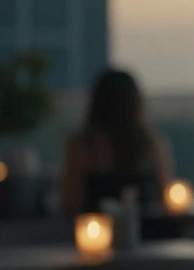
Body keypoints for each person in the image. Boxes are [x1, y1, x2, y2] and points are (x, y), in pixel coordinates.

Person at [59, 68, 173, 216]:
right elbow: (165, 199)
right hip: (147, 232)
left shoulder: (82, 145)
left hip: (97, 234)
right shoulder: (150, 144)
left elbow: (70, 203)